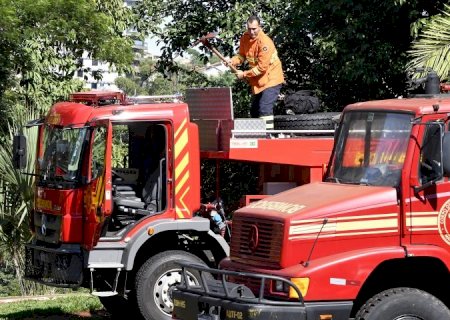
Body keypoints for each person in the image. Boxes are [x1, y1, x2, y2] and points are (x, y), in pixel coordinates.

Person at [226, 15, 284, 129]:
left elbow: (262, 68)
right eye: (249, 29)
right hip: (259, 81)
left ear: (260, 27)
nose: (251, 32)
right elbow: (242, 56)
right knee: (254, 110)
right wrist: (232, 61)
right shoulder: (244, 38)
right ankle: (258, 136)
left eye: (254, 29)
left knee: (264, 108)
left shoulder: (265, 42)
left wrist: (244, 74)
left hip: (272, 79)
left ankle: (268, 137)